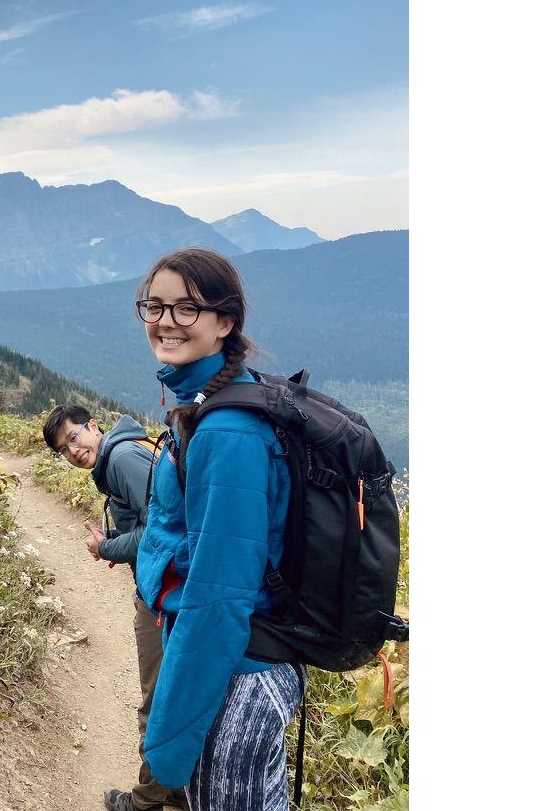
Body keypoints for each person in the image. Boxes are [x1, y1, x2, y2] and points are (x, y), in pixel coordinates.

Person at [134, 248, 304, 811]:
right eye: (155, 306)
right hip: (241, 668)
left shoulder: (227, 432)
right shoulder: (208, 403)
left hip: (237, 679)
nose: (166, 321)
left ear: (225, 322)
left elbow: (219, 595)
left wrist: (168, 739)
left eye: (187, 308)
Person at [43, 406, 188, 811]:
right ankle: (176, 786)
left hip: (164, 596)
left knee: (157, 697)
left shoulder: (121, 458)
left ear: (93, 426)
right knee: (171, 691)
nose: (72, 452)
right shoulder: (122, 452)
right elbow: (152, 519)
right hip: (172, 588)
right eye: (63, 450)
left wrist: (105, 547)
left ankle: (147, 799)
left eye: (73, 438)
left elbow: (157, 531)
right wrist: (111, 538)